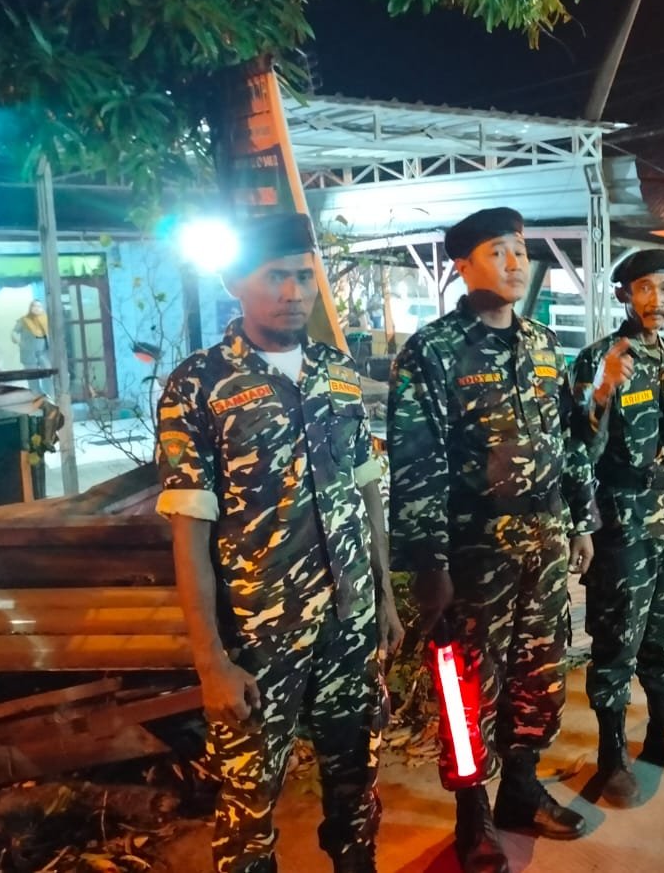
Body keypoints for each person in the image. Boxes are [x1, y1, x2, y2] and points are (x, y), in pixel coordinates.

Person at [156, 212, 402, 873]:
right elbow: (190, 526)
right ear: (236, 281)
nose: (295, 291)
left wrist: (383, 593)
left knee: (356, 777)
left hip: (347, 625)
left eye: (303, 275)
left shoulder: (336, 372)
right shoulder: (199, 384)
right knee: (248, 799)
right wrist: (211, 661)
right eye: (276, 277)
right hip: (257, 640)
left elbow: (366, 485)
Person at [388, 207, 599, 873]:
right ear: (460, 264)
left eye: (520, 250)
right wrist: (428, 563)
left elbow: (566, 440)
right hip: (473, 553)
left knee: (539, 671)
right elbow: (415, 465)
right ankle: (471, 813)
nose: (514, 262)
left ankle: (522, 788)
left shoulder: (540, 344)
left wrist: (581, 518)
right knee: (465, 684)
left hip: (543, 540)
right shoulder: (431, 352)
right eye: (496, 251)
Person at [570, 248, 664, 808]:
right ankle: (611, 757)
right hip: (623, 524)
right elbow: (578, 444)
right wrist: (602, 391)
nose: (658, 299)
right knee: (616, 643)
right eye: (645, 289)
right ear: (624, 296)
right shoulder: (598, 359)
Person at [11, 299, 51, 393]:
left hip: (43, 353)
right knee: (33, 380)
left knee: (48, 375)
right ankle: (37, 400)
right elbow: (14, 333)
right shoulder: (24, 320)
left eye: (39, 306)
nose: (37, 308)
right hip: (29, 353)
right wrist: (19, 342)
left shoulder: (46, 319)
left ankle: (50, 399)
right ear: (30, 308)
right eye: (34, 306)